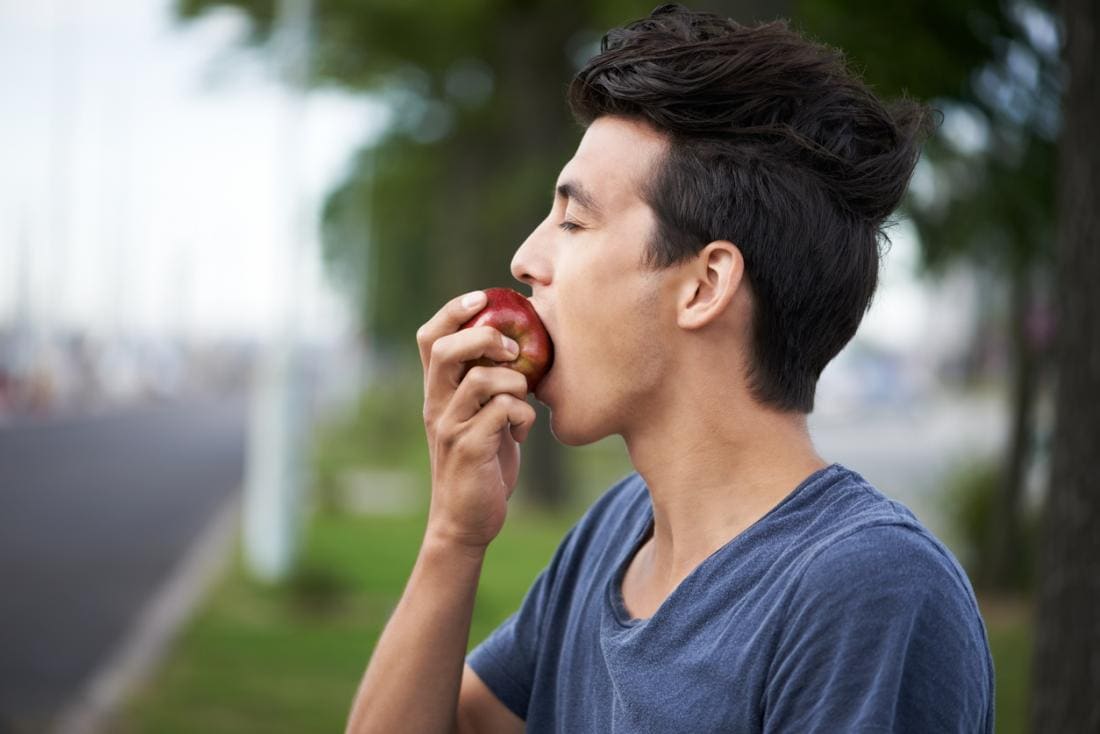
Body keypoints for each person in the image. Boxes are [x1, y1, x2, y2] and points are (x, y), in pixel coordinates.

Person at [345, 4, 995, 733]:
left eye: (573, 221)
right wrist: (453, 535)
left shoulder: (866, 593)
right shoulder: (613, 535)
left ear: (704, 285)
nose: (526, 260)